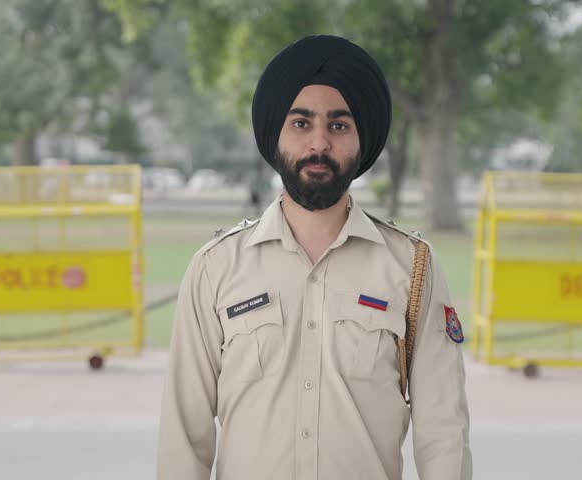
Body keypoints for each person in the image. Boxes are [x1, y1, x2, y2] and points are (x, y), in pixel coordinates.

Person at [157, 35, 472, 480]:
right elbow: (184, 437)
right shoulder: (216, 268)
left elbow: (444, 431)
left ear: (362, 138)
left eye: (339, 126)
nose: (319, 143)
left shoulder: (412, 266)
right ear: (276, 134)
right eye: (301, 124)